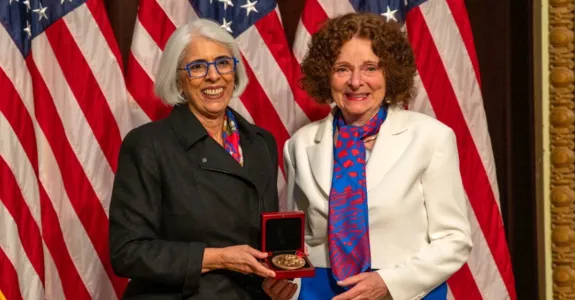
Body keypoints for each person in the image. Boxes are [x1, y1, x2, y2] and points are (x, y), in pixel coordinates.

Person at [263, 12, 472, 300]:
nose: (356, 81)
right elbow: (296, 242)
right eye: (342, 69)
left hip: (405, 293)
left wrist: (389, 283)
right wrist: (287, 286)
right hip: (321, 293)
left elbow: (454, 239)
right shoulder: (299, 145)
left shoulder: (431, 138)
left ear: (390, 74)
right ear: (326, 75)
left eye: (370, 68)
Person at [109, 18, 286, 299]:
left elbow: (266, 240)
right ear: (178, 77)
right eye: (198, 67)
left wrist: (275, 280)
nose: (214, 76)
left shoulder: (261, 142)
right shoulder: (148, 144)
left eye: (223, 63)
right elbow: (127, 252)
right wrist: (218, 258)